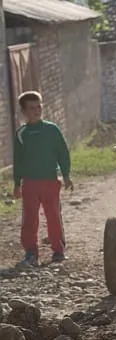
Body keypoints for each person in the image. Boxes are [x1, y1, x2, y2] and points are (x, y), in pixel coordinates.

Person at [11, 91, 73, 267]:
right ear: (23, 111)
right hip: (30, 183)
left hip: (50, 181)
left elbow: (63, 152)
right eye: (32, 108)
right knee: (30, 218)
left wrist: (66, 175)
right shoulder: (22, 134)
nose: (36, 110)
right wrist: (17, 184)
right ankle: (31, 253)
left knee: (53, 216)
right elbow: (18, 160)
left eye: (39, 106)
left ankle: (58, 251)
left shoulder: (51, 130)